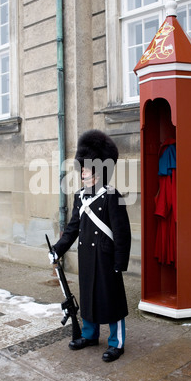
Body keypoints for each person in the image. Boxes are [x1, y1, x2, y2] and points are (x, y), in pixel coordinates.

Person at [48, 130, 131, 362]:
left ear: (98, 170)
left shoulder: (112, 196)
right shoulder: (80, 197)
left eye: (86, 169)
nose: (82, 173)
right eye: (82, 168)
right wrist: (57, 249)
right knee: (88, 297)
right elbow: (73, 228)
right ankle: (90, 335)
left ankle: (117, 343)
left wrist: (119, 263)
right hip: (87, 256)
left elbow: (123, 233)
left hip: (106, 258)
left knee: (112, 300)